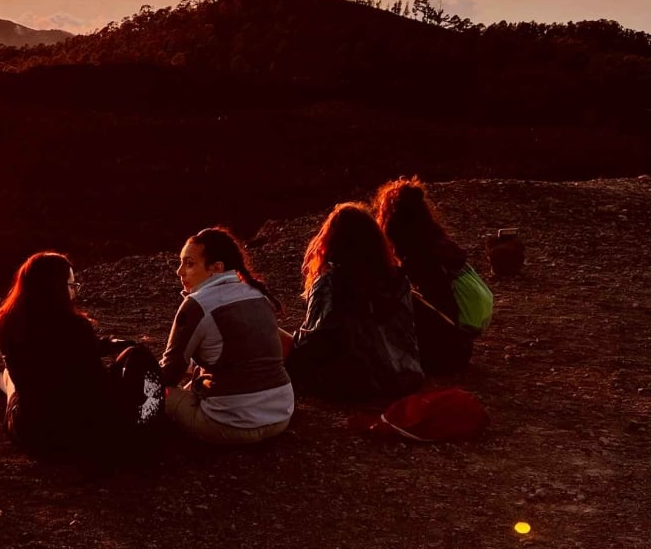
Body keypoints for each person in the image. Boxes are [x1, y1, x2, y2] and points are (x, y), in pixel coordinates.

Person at [0, 252, 164, 463]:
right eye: (71, 285)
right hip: (76, 433)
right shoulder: (76, 327)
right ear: (55, 288)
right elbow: (94, 380)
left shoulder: (8, 325)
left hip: (32, 433)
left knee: (18, 380)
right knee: (11, 380)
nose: (74, 291)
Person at [158, 227, 294, 445]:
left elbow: (170, 374)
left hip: (231, 424)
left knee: (156, 392)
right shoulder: (256, 294)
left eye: (189, 263)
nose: (179, 272)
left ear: (216, 268)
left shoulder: (197, 305)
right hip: (281, 415)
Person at [286, 203, 423, 402]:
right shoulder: (397, 279)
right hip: (406, 374)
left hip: (359, 384)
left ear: (331, 242)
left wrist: (293, 342)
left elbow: (317, 341)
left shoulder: (330, 282)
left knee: (277, 336)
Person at [373, 177, 484, 374]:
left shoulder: (420, 258)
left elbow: (434, 310)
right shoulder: (437, 244)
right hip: (460, 344)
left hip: (445, 353)